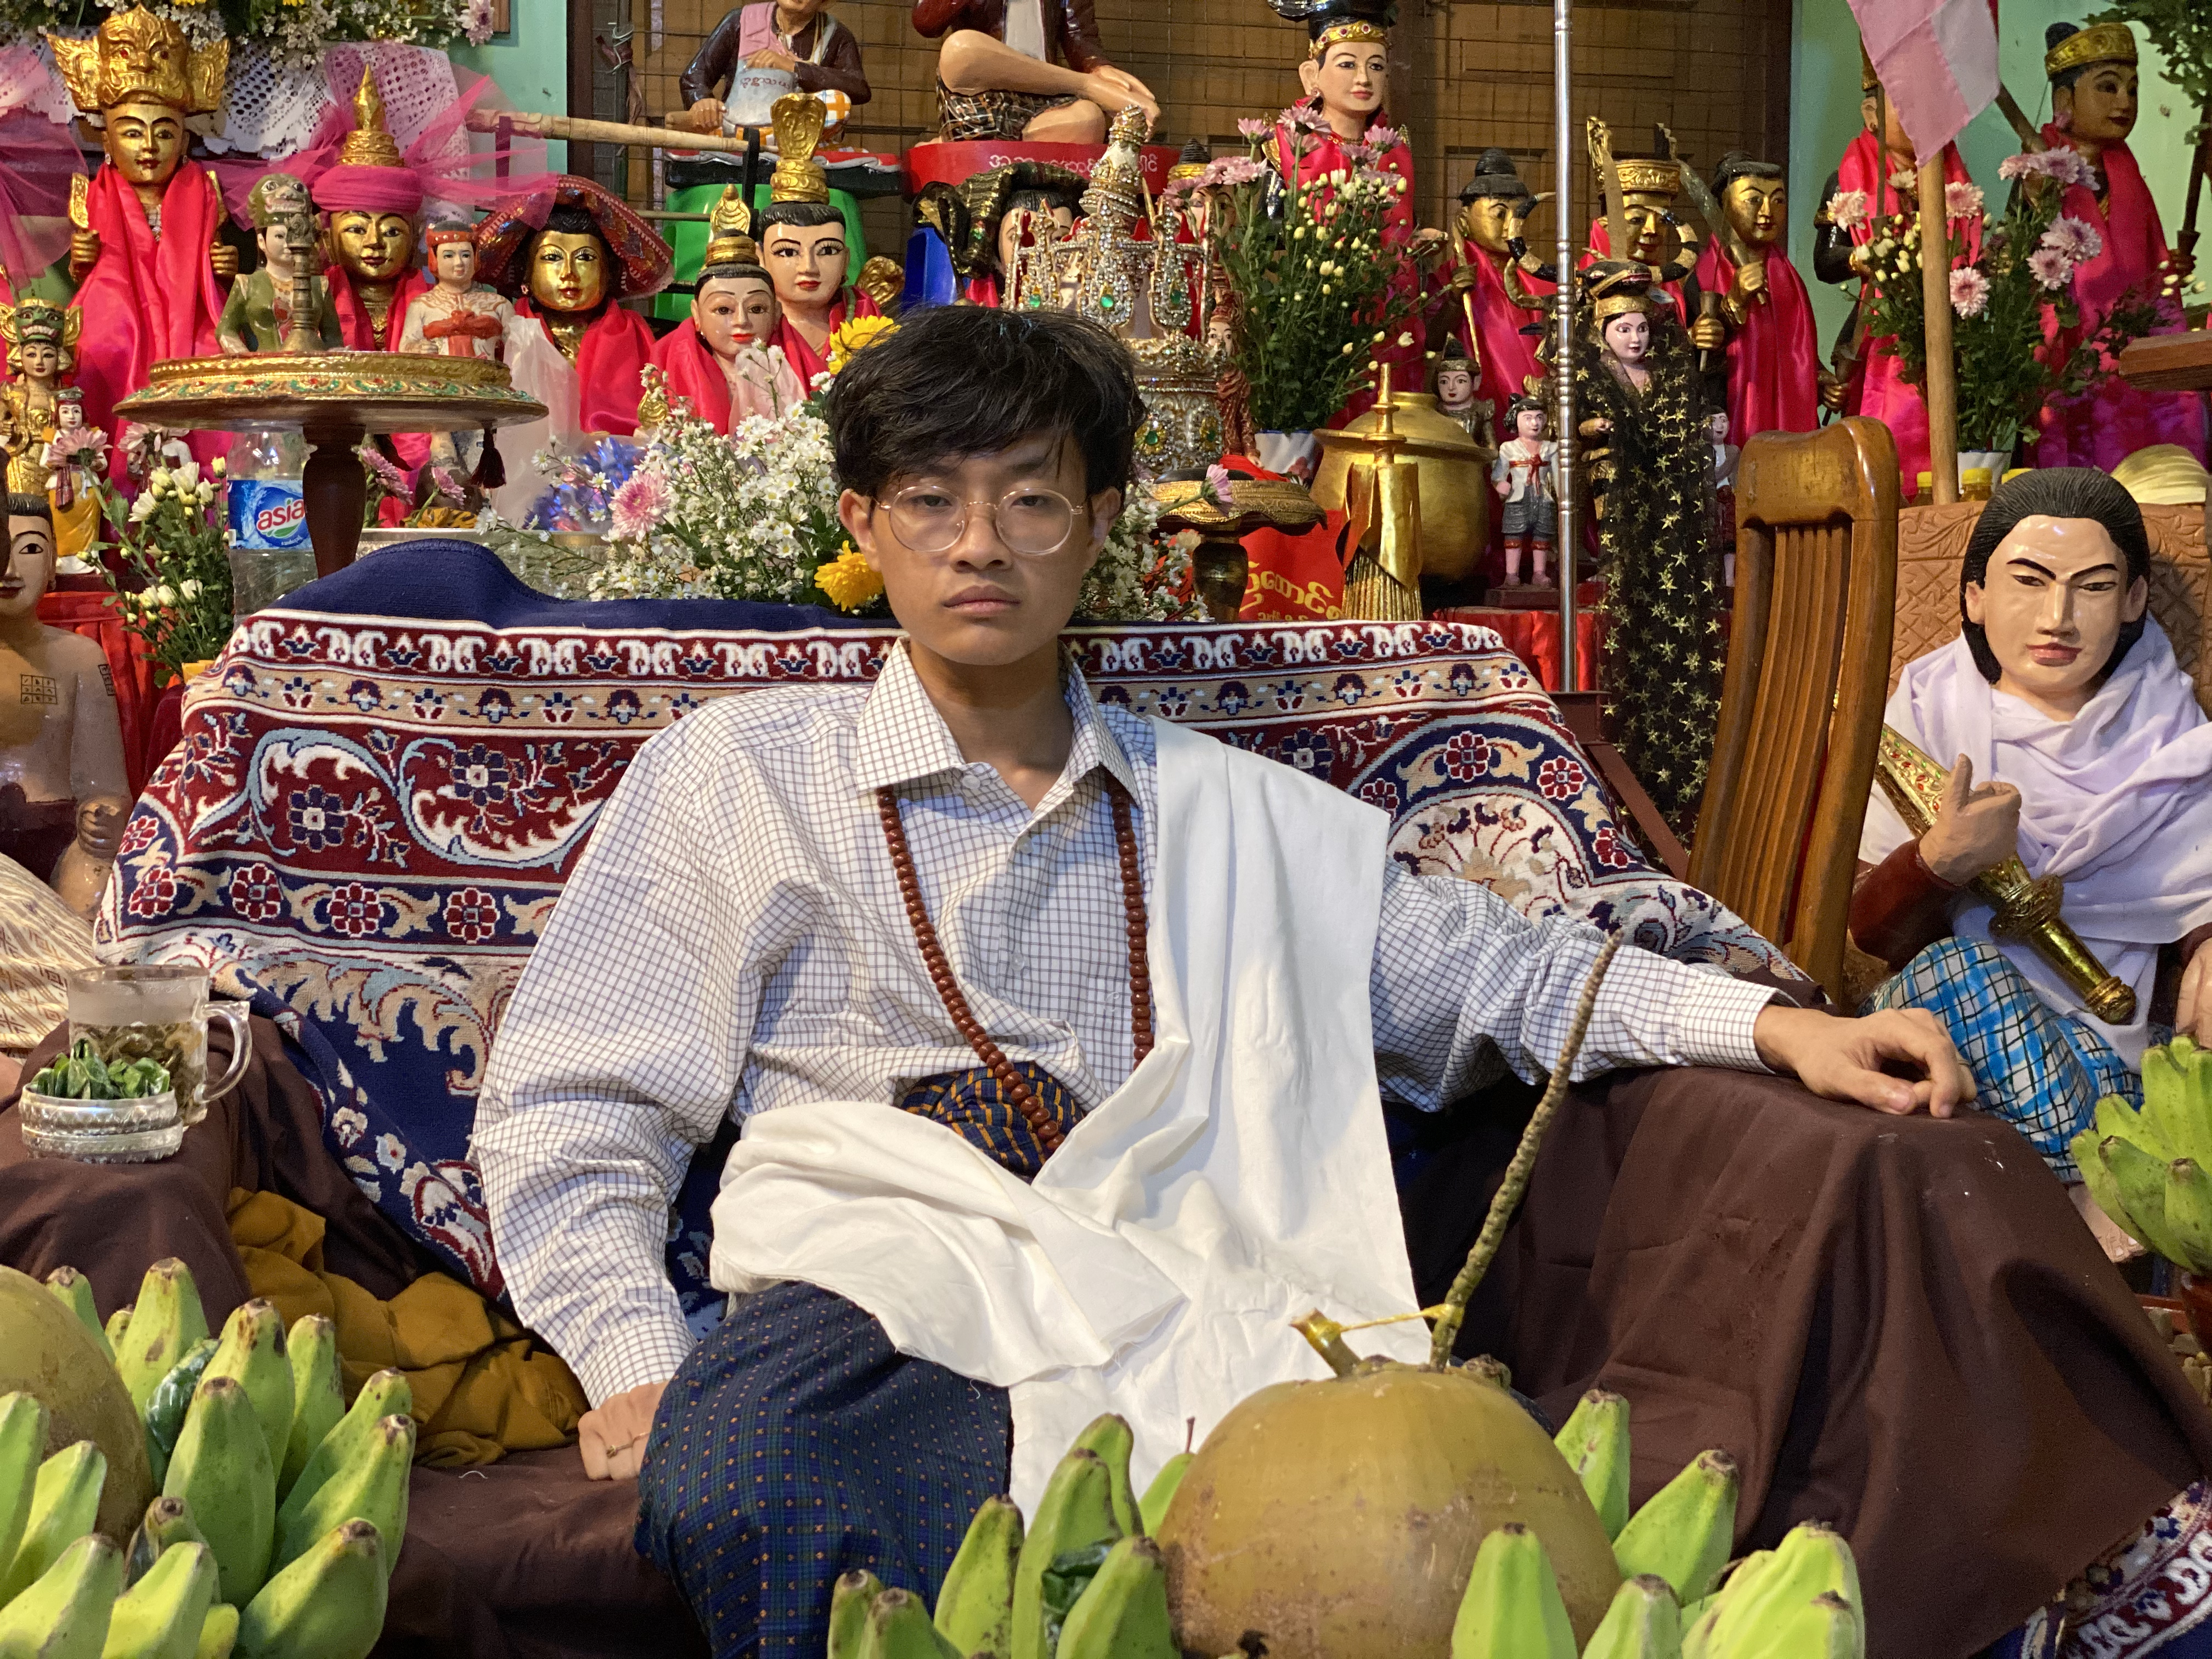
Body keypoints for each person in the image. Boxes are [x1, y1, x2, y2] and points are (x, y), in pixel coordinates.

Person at [473, 302, 1971, 1659]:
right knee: (744, 1477)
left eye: (1031, 499)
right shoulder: (738, 777)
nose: (979, 544)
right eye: (930, 499)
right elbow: (575, 1101)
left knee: (1388, 1528)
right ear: (862, 519)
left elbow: (1492, 973)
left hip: (1190, 1270)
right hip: (882, 1275)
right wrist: (635, 1360)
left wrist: (1773, 1024)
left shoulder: (1228, 816)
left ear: (1099, 524)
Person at [1854, 470, 2212, 1227]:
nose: (2058, 618)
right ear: (1975, 597)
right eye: (2028, 582)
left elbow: (2196, 875)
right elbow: (1867, 930)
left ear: (2134, 601)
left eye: (2093, 587)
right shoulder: (1925, 711)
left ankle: (2081, 1193)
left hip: (2110, 1046)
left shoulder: (2173, 736)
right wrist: (1938, 863)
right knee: (1960, 970)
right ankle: (2099, 1199)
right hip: (1956, 1031)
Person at [44, 5, 233, 454]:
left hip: (193, 311)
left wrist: (223, 265)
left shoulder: (204, 191)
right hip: (116, 306)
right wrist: (82, 260)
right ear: (106, 140)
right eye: (131, 133)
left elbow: (214, 270)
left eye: (164, 134)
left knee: (214, 355)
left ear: (184, 140)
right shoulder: (89, 195)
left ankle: (205, 478)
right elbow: (84, 273)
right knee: (103, 341)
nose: (149, 147)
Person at [1575, 261, 1723, 832]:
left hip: (1669, 515)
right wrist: (1592, 430)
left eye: (1641, 328)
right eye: (1623, 329)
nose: (1635, 339)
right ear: (1603, 333)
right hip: (1620, 501)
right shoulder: (1592, 378)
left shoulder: (1669, 379)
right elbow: (1573, 425)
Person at [2030, 21, 2206, 471]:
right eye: (2108, 88)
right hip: (2071, 347)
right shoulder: (2039, 173)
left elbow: (2147, 268)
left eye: (2132, 89)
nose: (2125, 102)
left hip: (2133, 350)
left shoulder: (2126, 172)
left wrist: (2165, 272)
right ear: (2064, 101)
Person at [1263, 0, 1442, 424]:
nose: (1364, 78)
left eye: (1376, 66)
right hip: (1319, 321)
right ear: (1312, 75)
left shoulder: (1394, 151)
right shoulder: (1287, 149)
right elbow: (1268, 241)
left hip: (1391, 326)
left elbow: (1400, 235)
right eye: (1347, 64)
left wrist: (1415, 247)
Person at [1813, 47, 1979, 490]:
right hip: (1876, 338)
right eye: (1909, 104)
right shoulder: (1848, 180)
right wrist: (1861, 258)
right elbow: (1825, 262)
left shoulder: (1954, 182)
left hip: (1953, 335)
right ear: (1873, 115)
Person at [474, 176, 673, 523]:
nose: (568, 273)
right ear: (527, 274)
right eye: (552, 258)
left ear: (607, 273)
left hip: (617, 489)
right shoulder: (507, 331)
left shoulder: (636, 335)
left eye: (585, 258)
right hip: (521, 486)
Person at [0, 494, 128, 920]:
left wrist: (104, 815)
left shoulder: (81, 659)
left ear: (54, 562)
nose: (10, 569)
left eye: (30, 549)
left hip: (57, 837)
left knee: (94, 892)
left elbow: (105, 781)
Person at [648, 188, 804, 432]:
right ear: (697, 315)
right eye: (723, 310)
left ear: (776, 314)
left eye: (756, 309)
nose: (741, 320)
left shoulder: (795, 369)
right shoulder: (668, 367)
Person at [1694, 151, 1820, 445]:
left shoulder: (1787, 276)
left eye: (1778, 201)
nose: (1767, 212)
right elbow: (1699, 360)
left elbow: (1796, 351)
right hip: (1730, 415)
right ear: (1724, 204)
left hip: (1788, 416)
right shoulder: (1703, 274)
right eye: (1753, 200)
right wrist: (1734, 302)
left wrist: (1821, 379)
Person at [757, 94, 879, 388]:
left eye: (827, 250)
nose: (809, 267)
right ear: (760, 259)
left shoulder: (861, 317)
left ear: (846, 260)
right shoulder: (749, 320)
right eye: (788, 252)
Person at [912, 0, 1156, 143]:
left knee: (1089, 119)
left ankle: (995, 149)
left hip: (1041, 96)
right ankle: (1085, 86)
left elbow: (1079, 34)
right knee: (961, 49)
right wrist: (1093, 85)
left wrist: (1099, 67)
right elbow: (926, 21)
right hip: (978, 94)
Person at [679, 0, 871, 134]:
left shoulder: (836, 35)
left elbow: (858, 88)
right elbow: (694, 76)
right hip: (737, 135)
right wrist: (701, 101)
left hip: (801, 143)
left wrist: (795, 68)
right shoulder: (741, 21)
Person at [218, 173, 342, 356]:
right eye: (280, 236)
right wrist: (244, 357)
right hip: (265, 366)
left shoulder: (319, 285)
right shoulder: (247, 284)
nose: (289, 243)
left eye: (295, 235)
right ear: (262, 241)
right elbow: (225, 330)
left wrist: (336, 355)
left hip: (311, 366)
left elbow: (333, 337)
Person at [1489, 392, 1555, 588]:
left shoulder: (1551, 449)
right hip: (1517, 497)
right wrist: (1500, 485)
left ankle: (1539, 573)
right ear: (1516, 421)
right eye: (1528, 418)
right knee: (1513, 536)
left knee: (1542, 536)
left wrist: (1562, 498)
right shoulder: (1508, 448)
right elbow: (1498, 475)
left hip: (1543, 497)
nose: (1535, 423)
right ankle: (1511, 575)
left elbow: (1559, 478)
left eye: (1539, 418)